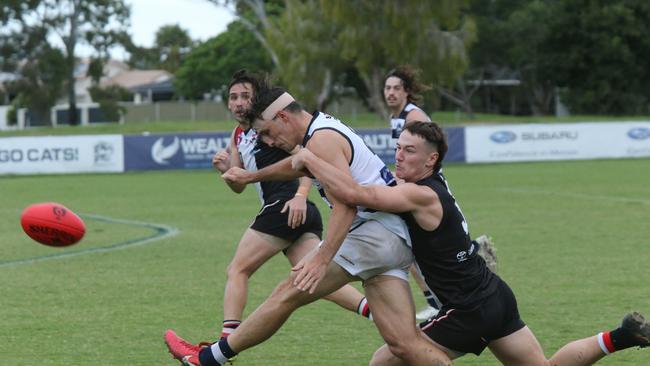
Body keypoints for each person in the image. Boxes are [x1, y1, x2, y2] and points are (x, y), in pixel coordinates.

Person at [290, 121, 650, 365]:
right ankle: (621, 336)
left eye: (409, 151)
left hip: (468, 309)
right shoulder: (430, 184)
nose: (399, 155)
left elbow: (352, 193)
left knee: (385, 359)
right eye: (398, 148)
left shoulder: (418, 195)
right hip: (494, 295)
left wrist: (310, 158)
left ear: (431, 159)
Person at [165, 86, 451, 366]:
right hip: (392, 239)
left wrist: (322, 257)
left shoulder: (321, 139)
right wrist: (251, 177)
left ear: (284, 118)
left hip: (376, 234)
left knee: (286, 293)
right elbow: (298, 166)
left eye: (266, 132)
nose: (268, 142)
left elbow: (346, 205)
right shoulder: (319, 131)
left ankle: (207, 359)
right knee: (404, 344)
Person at [209, 70, 371, 340]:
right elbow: (239, 185)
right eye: (233, 97)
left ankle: (227, 340)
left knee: (237, 269)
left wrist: (300, 196)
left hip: (285, 206)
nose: (238, 102)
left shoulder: (270, 129)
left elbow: (305, 157)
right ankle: (374, 310)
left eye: (245, 96)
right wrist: (226, 170)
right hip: (298, 214)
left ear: (257, 100)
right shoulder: (238, 135)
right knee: (309, 279)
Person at [384, 65, 497, 320]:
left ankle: (441, 294)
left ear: (407, 92)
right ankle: (468, 257)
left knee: (418, 242)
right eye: (387, 88)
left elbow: (429, 155)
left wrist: (405, 188)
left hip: (428, 187)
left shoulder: (414, 117)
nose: (390, 93)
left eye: (396, 88)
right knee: (412, 242)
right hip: (416, 186)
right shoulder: (397, 118)